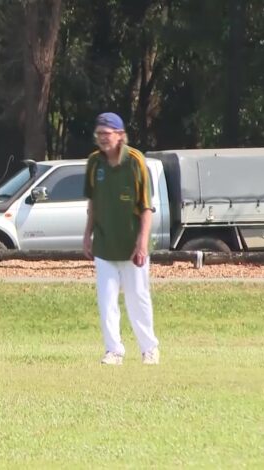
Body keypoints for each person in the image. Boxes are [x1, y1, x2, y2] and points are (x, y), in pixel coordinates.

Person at [83, 112, 160, 365]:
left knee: (137, 298)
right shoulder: (94, 162)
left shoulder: (136, 161)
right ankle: (114, 351)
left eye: (107, 134)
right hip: (105, 244)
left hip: (132, 246)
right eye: (99, 134)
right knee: (106, 300)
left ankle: (149, 348)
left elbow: (146, 208)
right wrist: (87, 235)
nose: (102, 138)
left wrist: (142, 243)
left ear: (120, 135)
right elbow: (93, 203)